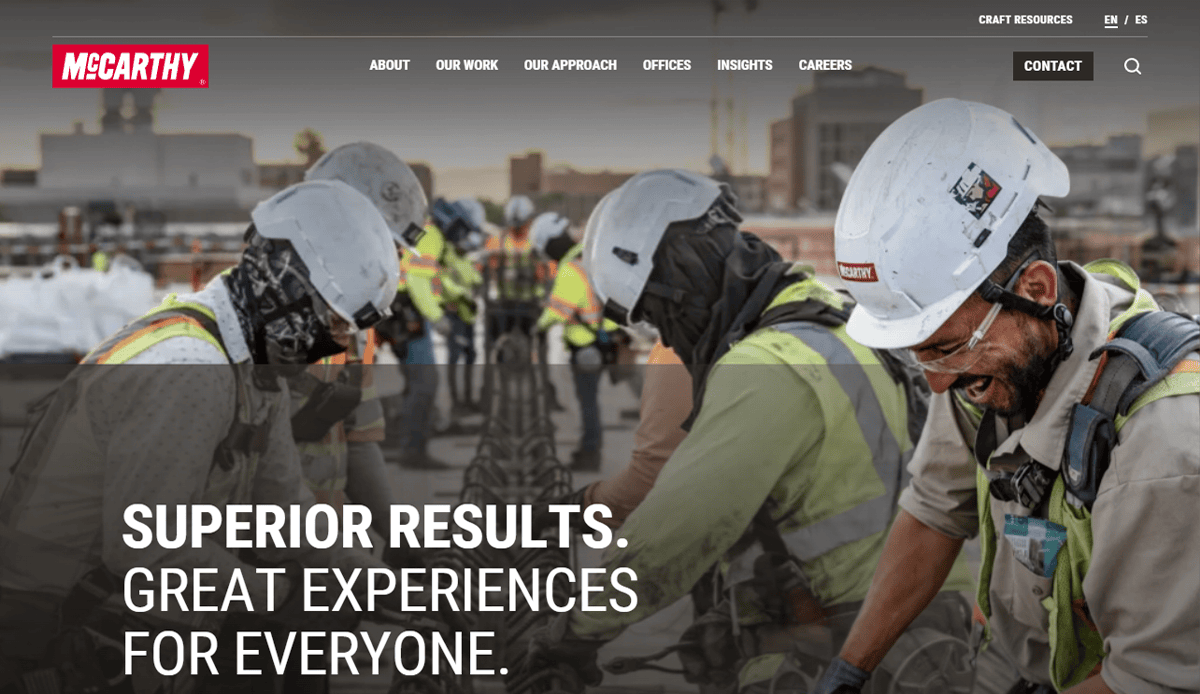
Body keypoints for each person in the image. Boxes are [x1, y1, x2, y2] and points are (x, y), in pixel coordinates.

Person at [526, 169, 977, 694]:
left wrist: (574, 633)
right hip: (916, 621)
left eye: (658, 314)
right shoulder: (833, 319)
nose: (667, 335)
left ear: (680, 282)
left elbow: (676, 533)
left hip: (859, 638)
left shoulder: (768, 365)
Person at [812, 98, 1199, 694]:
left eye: (942, 348)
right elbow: (936, 509)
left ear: (1038, 290)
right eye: (918, 354)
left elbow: (1148, 680)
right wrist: (848, 670)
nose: (936, 382)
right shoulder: (990, 356)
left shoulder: (1159, 448)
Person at [0, 180, 407, 693]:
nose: (336, 343)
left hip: (101, 613)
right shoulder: (190, 368)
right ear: (286, 286)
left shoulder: (254, 370)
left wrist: (370, 579)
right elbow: (146, 551)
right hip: (44, 627)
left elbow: (282, 514)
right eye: (333, 322)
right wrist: (280, 598)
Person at [304, 140, 430, 522]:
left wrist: (397, 537)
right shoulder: (252, 319)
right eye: (385, 247)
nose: (390, 263)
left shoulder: (351, 318)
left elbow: (357, 441)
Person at [530, 211, 622, 471]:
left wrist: (536, 324)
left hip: (585, 346)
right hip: (602, 340)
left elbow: (558, 311)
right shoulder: (591, 258)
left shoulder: (571, 269)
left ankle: (590, 452)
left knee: (588, 402)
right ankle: (589, 448)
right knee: (591, 401)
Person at [485, 194, 546, 347]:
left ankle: (539, 368)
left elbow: (547, 272)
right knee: (495, 343)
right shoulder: (497, 241)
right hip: (504, 303)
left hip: (531, 303)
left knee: (538, 343)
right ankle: (493, 366)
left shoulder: (536, 241)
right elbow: (485, 268)